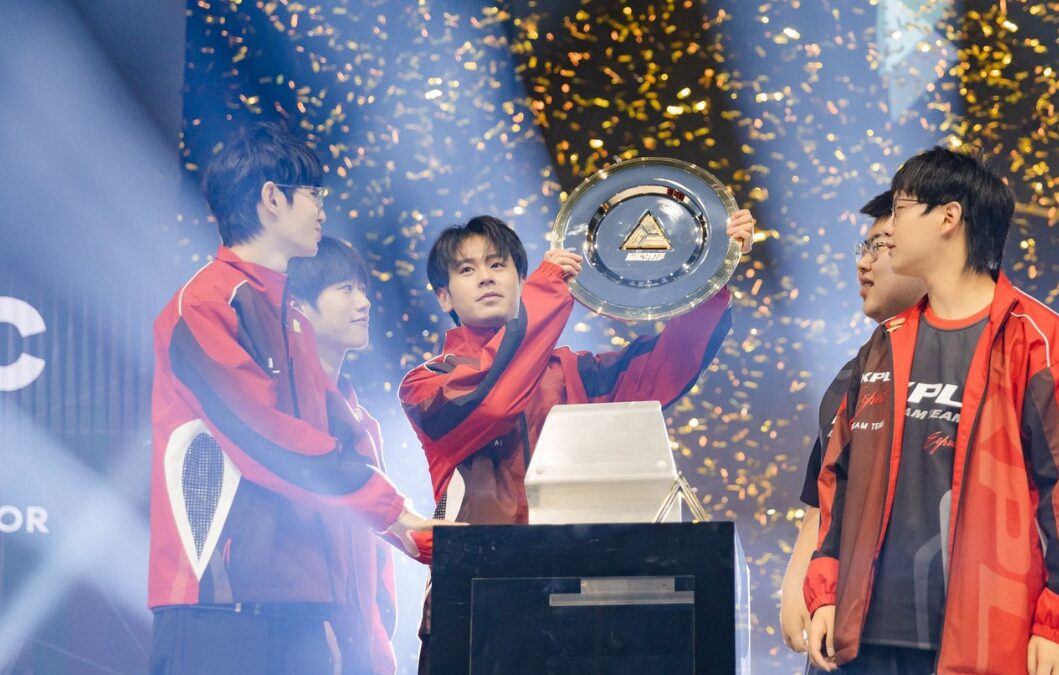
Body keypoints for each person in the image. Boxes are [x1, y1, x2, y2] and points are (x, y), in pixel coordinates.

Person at [804, 147, 1059, 674]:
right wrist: (824, 589)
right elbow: (838, 482)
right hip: (866, 640)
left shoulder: (1038, 341)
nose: (889, 228)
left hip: (991, 639)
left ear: (948, 218)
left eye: (903, 207)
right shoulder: (882, 345)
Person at [399, 210, 755, 669]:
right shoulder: (427, 384)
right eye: (467, 269)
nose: (485, 277)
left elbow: (665, 365)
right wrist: (548, 293)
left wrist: (712, 272)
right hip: (473, 600)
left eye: (497, 264)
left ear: (520, 280)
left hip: (570, 603)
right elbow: (492, 399)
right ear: (444, 295)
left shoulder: (573, 372)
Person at [149, 123, 435, 675]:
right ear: (272, 199)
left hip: (302, 611)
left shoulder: (294, 325)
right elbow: (271, 441)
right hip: (220, 606)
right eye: (315, 196)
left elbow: (340, 449)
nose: (323, 211)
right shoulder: (206, 304)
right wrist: (401, 518)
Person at [778, 190, 927, 655]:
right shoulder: (853, 374)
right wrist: (796, 584)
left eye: (883, 245)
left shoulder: (964, 363)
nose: (865, 264)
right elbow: (822, 498)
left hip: (917, 623)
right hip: (839, 615)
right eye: (863, 248)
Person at [287, 238, 411, 674]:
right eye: (344, 289)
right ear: (298, 306)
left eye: (362, 289)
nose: (363, 303)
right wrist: (316, 623)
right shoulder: (286, 411)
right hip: (308, 639)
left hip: (360, 643)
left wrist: (376, 640)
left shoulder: (361, 419)